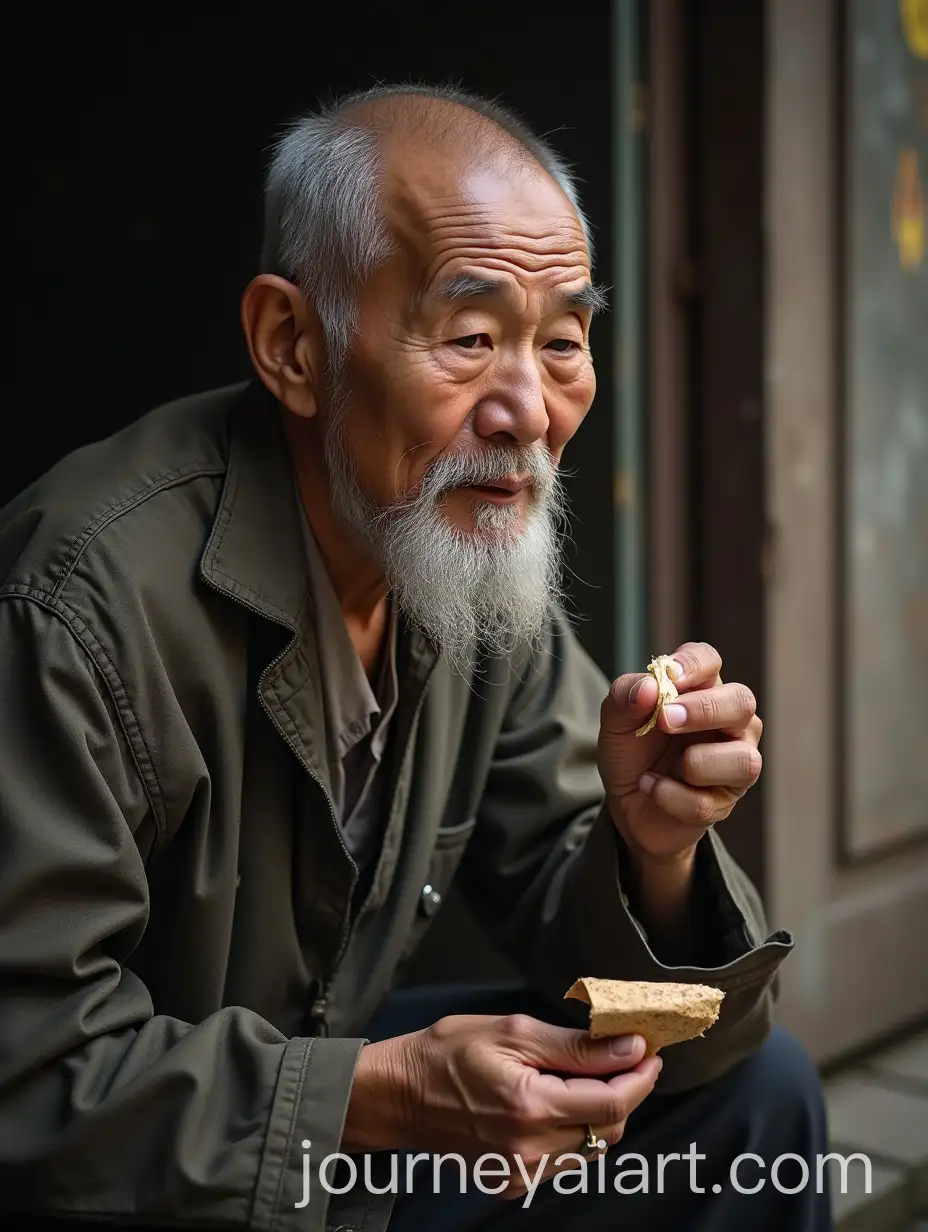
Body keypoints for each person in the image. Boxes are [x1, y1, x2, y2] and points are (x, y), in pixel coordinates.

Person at [0, 85, 831, 1232]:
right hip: (149, 1178)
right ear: (292, 345)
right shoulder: (75, 601)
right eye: (471, 338)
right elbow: (27, 1071)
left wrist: (656, 851)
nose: (528, 411)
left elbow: (610, 946)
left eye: (563, 343)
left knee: (753, 1098)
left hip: (323, 1138)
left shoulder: (457, 562)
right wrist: (375, 1097)